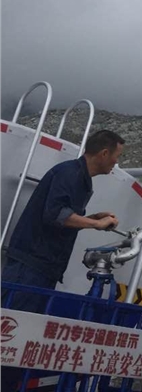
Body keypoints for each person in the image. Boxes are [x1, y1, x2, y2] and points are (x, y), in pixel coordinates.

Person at [2, 129, 125, 308]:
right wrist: (96, 224)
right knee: (10, 326)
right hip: (31, 266)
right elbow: (55, 215)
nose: (117, 162)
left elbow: (64, 219)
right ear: (104, 154)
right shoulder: (69, 174)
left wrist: (91, 218)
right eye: (117, 156)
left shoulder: (80, 177)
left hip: (44, 268)